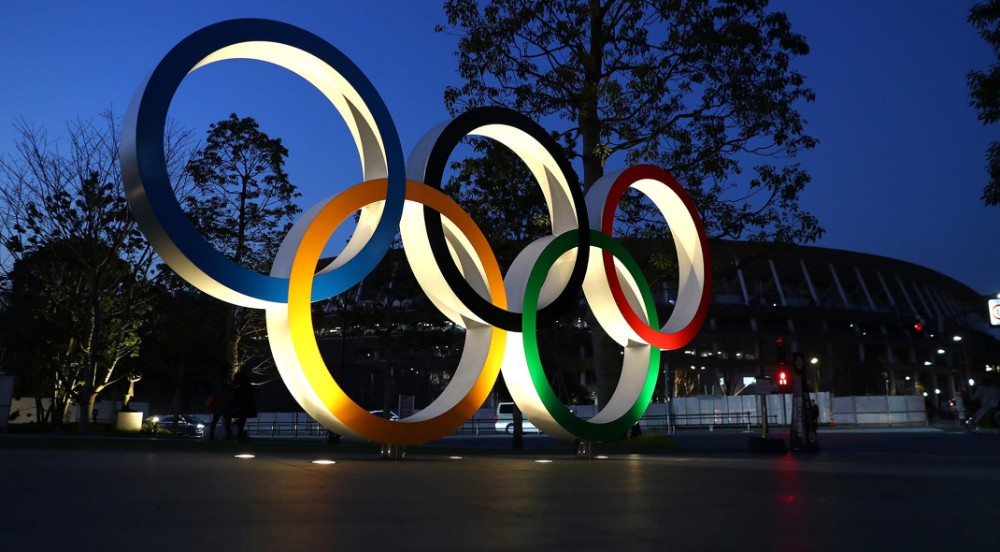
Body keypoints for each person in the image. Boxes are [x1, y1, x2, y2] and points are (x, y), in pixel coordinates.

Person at [231, 368, 258, 441]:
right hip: (244, 401)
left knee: (242, 418)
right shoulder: (243, 380)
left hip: (242, 401)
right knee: (242, 418)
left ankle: (240, 434)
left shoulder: (240, 379)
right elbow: (245, 389)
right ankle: (240, 434)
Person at [208, 369, 233, 441]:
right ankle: (226, 436)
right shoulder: (221, 381)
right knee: (224, 420)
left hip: (221, 404)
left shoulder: (220, 380)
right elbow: (222, 392)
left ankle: (213, 436)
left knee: (217, 420)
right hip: (222, 404)